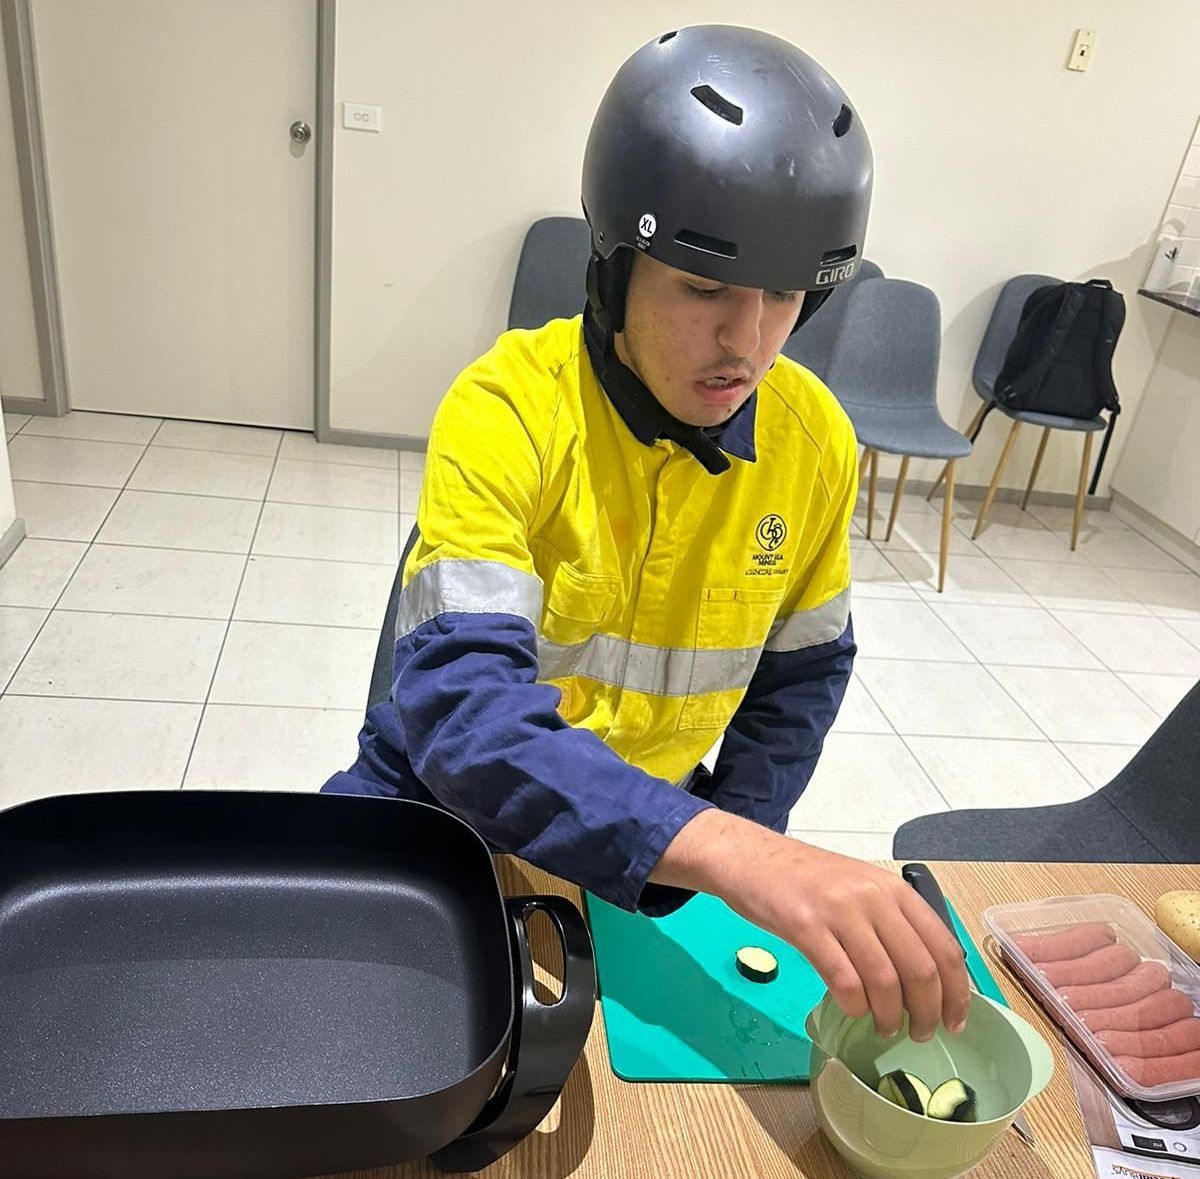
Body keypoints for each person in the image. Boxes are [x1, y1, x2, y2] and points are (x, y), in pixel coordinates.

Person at [323, 24, 969, 1043]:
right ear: (616, 266)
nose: (748, 343)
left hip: (643, 852)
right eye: (705, 288)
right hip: (437, 817)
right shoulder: (507, 410)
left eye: (782, 296)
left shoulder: (814, 442)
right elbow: (462, 717)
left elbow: (801, 677)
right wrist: (729, 852)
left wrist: (743, 835)